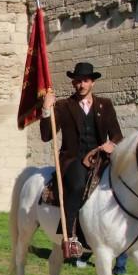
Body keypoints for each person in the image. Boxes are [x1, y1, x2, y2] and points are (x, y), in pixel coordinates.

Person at [41, 62, 123, 257]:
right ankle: (70, 237)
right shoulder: (62, 106)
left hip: (101, 158)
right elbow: (46, 136)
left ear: (92, 82)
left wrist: (112, 144)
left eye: (85, 80)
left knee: (122, 182)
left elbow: (118, 135)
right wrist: (46, 110)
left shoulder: (105, 104)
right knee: (77, 184)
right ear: (73, 83)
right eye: (77, 81)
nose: (81, 85)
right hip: (72, 159)